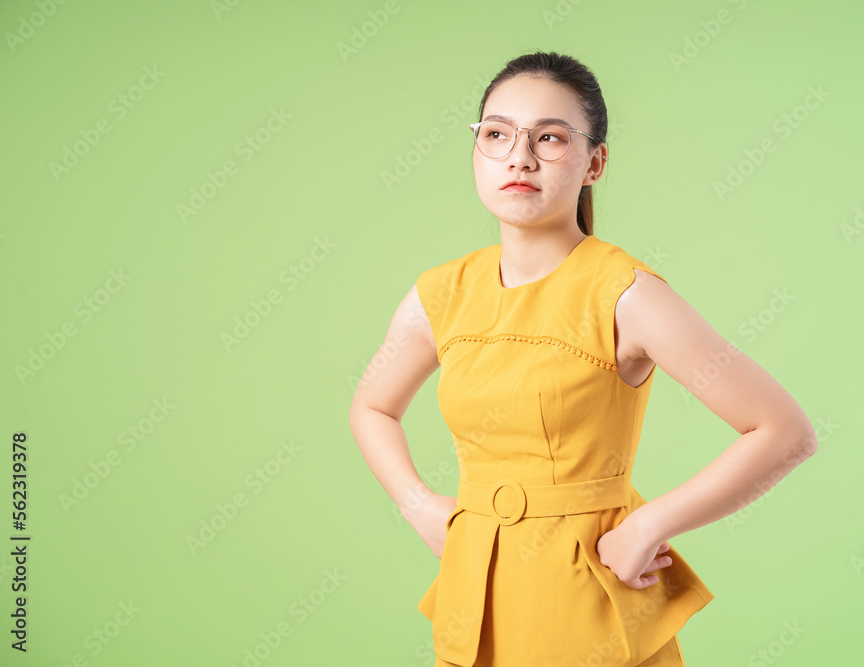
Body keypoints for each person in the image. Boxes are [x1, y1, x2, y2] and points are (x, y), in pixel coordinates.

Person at [350, 50, 818, 667]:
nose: (519, 156)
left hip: (590, 593)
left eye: (549, 137)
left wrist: (650, 526)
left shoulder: (627, 294)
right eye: (496, 134)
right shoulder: (440, 294)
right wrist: (417, 504)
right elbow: (372, 407)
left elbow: (783, 432)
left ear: (594, 162)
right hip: (478, 596)